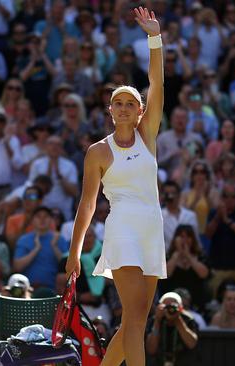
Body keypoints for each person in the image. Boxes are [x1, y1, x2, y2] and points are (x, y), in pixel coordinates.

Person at [64, 7, 163, 366]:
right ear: (110, 111)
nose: (124, 108)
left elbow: (157, 81)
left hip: (152, 230)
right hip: (122, 231)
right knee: (135, 321)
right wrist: (75, 251)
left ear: (140, 112)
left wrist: (155, 38)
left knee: (136, 320)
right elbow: (87, 205)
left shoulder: (148, 135)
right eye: (118, 103)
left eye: (130, 103)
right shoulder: (98, 152)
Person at [14, 206, 68, 290]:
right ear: (32, 220)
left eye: (46, 216)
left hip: (54, 291)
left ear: (51, 220)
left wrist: (54, 247)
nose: (42, 219)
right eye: (38, 216)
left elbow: (68, 268)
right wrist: (36, 249)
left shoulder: (59, 239)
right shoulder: (24, 240)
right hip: (28, 290)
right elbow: (17, 266)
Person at [145, 292, 199, 366]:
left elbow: (192, 344)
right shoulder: (153, 320)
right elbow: (151, 349)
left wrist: (178, 319)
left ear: (181, 308)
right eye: (166, 306)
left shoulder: (188, 320)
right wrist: (157, 320)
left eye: (173, 306)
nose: (170, 309)